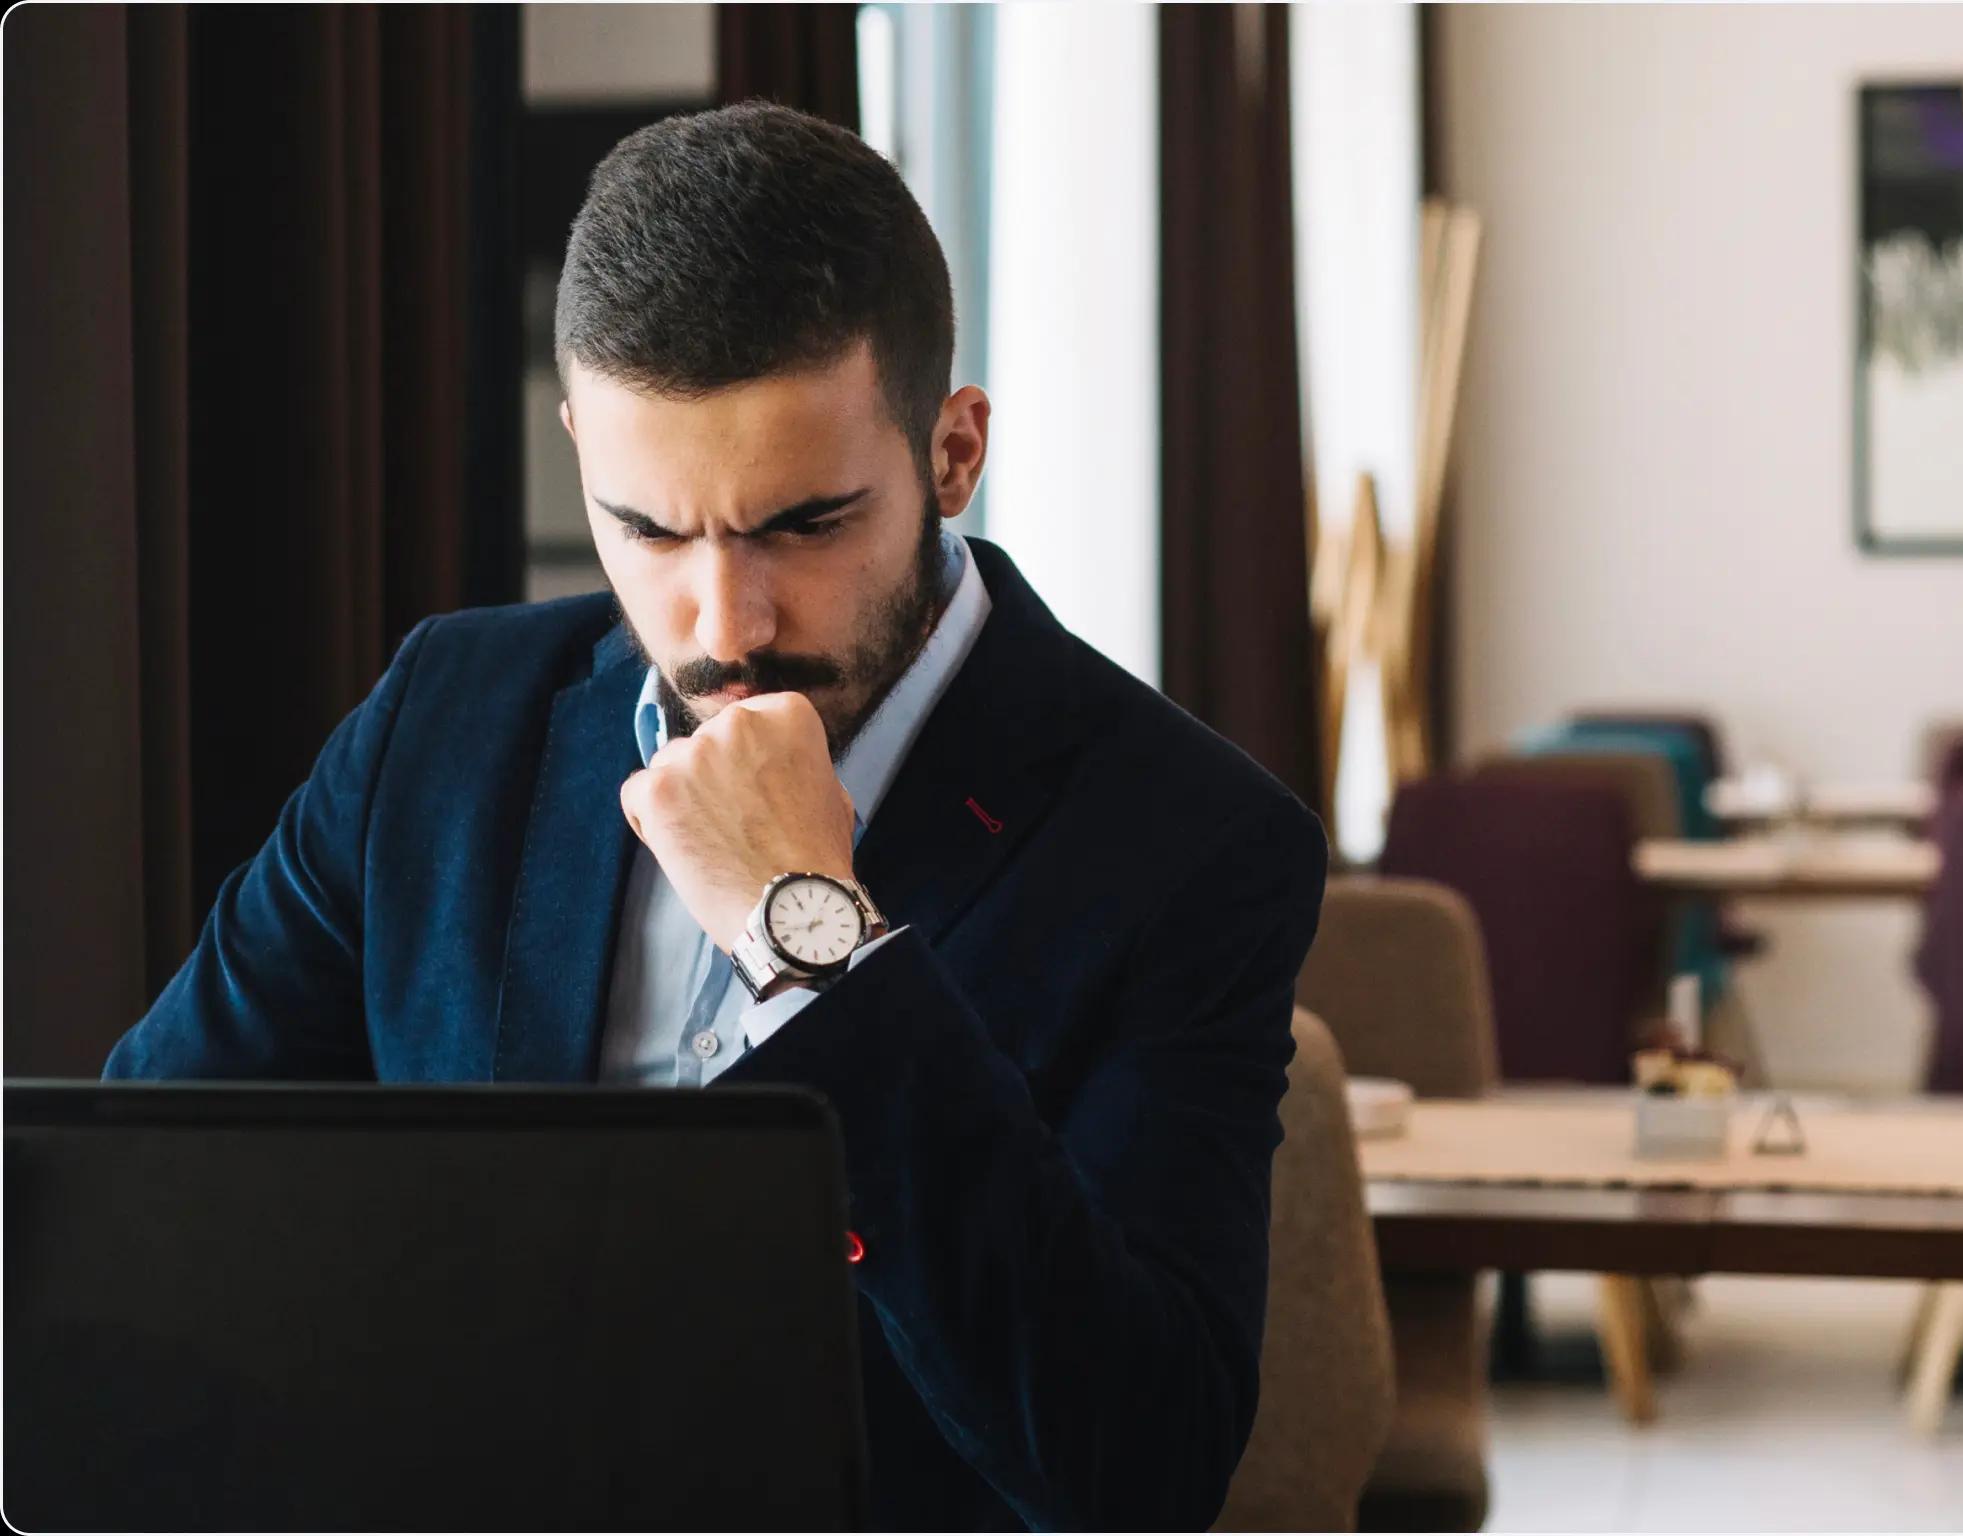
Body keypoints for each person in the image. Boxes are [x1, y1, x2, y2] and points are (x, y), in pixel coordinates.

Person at [106, 102, 1329, 1531]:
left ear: (951, 451)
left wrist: (814, 938)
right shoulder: (442, 725)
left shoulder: (1188, 844)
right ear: (578, 451)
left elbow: (1137, 1466)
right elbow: (152, 1196)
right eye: (651, 529)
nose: (723, 621)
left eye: (803, 525)